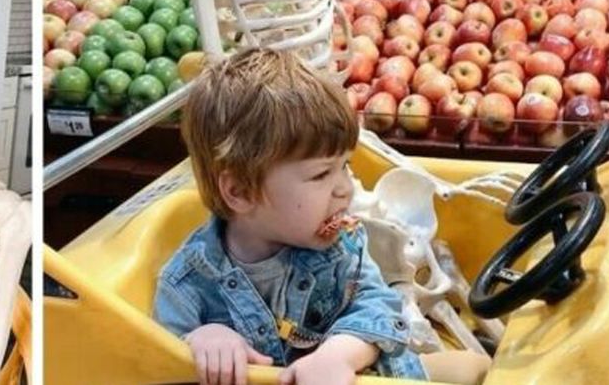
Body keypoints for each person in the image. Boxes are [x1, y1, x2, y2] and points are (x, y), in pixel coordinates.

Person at [154, 48, 488, 385]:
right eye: (320, 175)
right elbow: (154, 363)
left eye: (345, 166)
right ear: (240, 191)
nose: (345, 189)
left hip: (368, 376)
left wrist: (339, 355)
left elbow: (379, 305)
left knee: (476, 368)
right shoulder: (187, 284)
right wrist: (199, 340)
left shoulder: (339, 244)